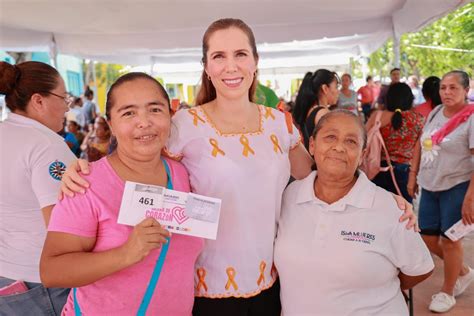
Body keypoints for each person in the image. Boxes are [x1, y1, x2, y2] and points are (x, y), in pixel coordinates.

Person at [59, 19, 416, 316]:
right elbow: (134, 162)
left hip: (271, 284)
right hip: (202, 288)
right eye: (219, 56)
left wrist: (385, 203)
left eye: (240, 54)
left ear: (255, 61)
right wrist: (82, 170)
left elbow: (321, 179)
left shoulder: (280, 123)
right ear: (207, 67)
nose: (231, 66)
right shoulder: (184, 124)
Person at [40, 72, 204, 315]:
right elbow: (51, 272)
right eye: (129, 113)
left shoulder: (181, 173)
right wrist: (126, 253)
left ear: (170, 115)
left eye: (155, 109)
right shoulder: (85, 184)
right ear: (111, 124)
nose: (144, 122)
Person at [274, 110, 434, 316]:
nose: (339, 147)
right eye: (330, 137)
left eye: (351, 142)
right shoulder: (289, 197)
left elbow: (419, 268)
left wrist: (375, 288)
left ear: (363, 155)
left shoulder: (390, 209)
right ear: (312, 145)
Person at [0, 61, 76, 315]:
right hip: (42, 282)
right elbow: (63, 227)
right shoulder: (45, 145)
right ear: (38, 100)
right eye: (63, 97)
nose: (67, 106)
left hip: (7, 275)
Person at [408, 70, 474, 313]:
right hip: (430, 184)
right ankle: (464, 272)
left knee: (450, 240)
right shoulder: (436, 112)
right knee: (427, 237)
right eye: (443, 87)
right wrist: (413, 176)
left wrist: (470, 198)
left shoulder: (471, 118)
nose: (446, 92)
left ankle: (447, 291)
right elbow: (420, 143)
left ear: (466, 90)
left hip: (457, 186)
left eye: (453, 88)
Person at [366, 82, 424, 202]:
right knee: (403, 212)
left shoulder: (377, 116)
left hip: (377, 170)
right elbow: (419, 150)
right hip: (404, 173)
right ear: (409, 99)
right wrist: (414, 176)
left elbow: (362, 138)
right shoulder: (418, 119)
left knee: (377, 211)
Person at [292, 69, 340, 150]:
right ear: (325, 88)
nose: (338, 91)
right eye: (336, 87)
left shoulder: (312, 109)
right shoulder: (322, 113)